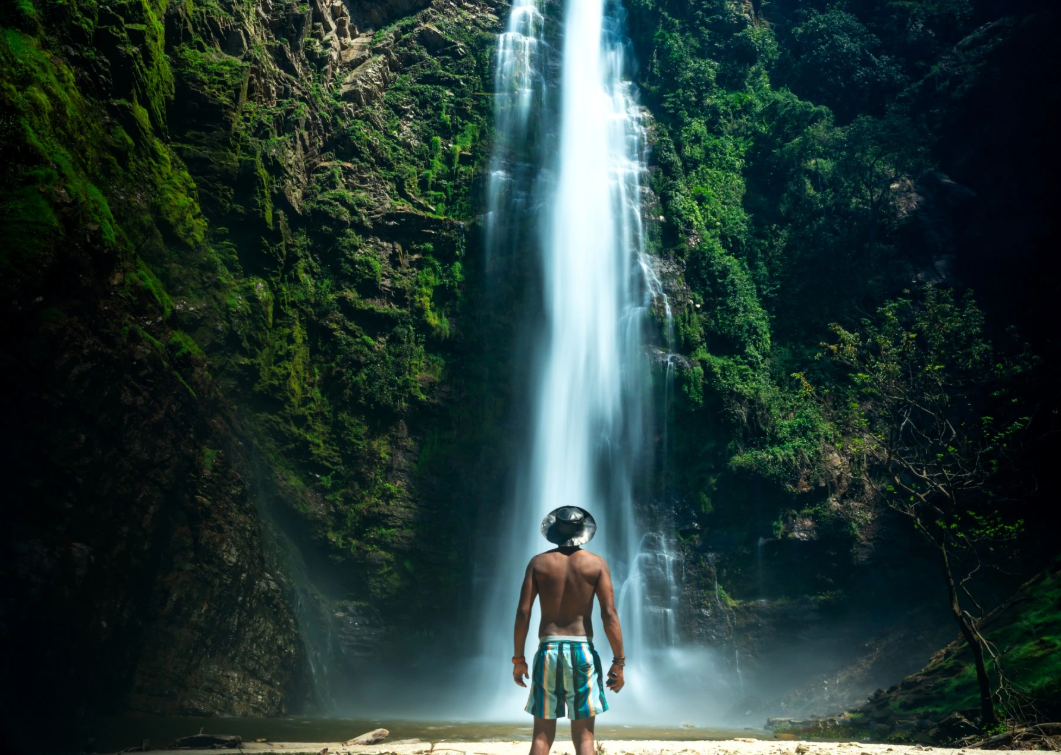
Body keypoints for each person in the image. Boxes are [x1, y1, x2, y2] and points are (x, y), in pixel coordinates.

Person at [512, 506, 626, 755]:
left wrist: (518, 659)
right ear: (583, 531)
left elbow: (523, 613)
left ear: (555, 531)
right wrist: (619, 661)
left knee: (541, 738)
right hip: (582, 650)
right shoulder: (596, 564)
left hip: (548, 650)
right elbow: (609, 615)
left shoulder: (538, 563)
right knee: (585, 738)